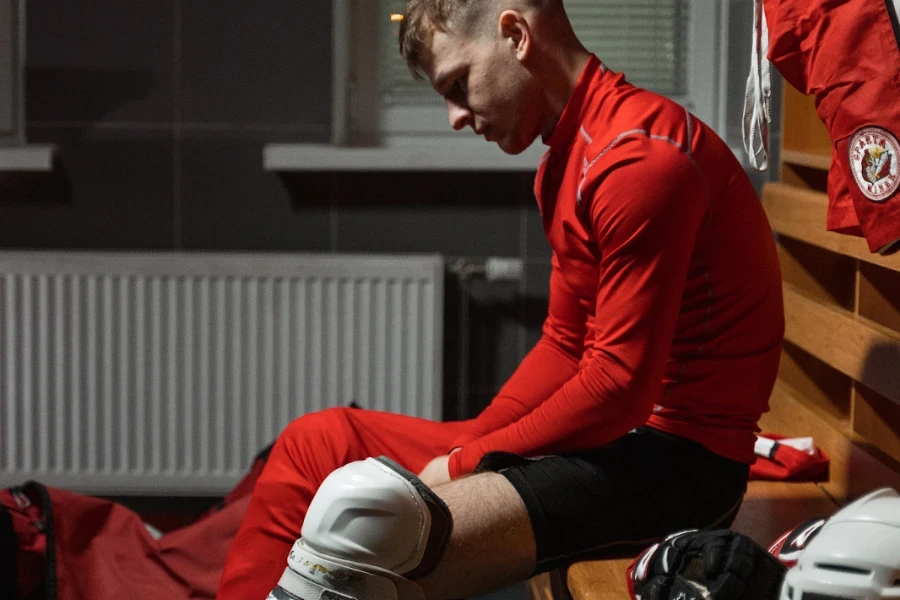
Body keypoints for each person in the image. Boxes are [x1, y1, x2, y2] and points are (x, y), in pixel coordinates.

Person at [216, 1, 785, 599]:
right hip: (620, 439)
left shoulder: (639, 158)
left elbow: (619, 387)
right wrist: (474, 444)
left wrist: (466, 462)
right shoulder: (564, 165)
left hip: (676, 465)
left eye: (459, 85)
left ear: (514, 34)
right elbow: (566, 346)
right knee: (318, 442)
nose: (456, 116)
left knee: (360, 543)